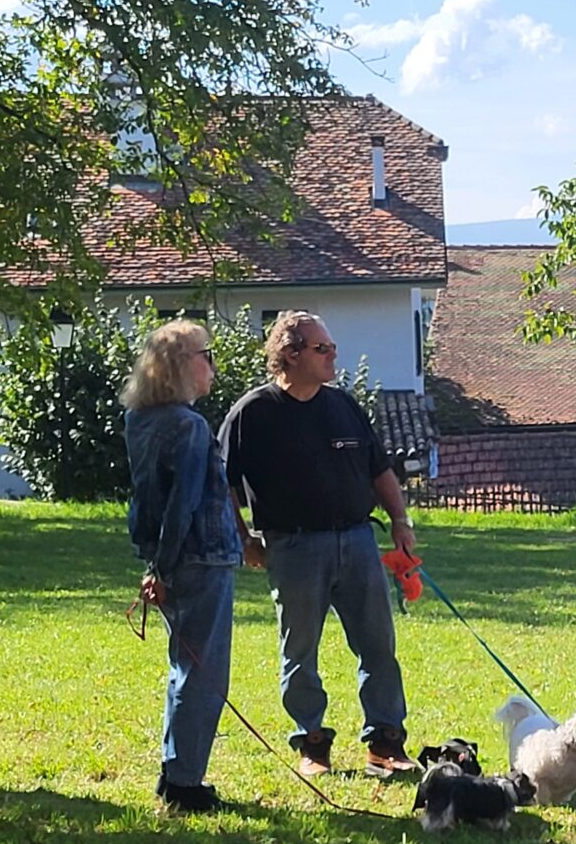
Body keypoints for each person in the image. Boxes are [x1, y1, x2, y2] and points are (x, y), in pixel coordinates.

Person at [219, 311, 418, 777]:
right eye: (322, 349)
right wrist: (244, 538)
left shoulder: (343, 405)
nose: (333, 356)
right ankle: (312, 745)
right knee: (300, 651)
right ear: (290, 354)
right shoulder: (252, 412)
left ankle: (385, 743)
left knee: (378, 647)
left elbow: (379, 469)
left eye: (331, 348)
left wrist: (400, 520)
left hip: (356, 540)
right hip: (293, 548)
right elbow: (221, 484)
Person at [124, 320, 243, 814]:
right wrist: (167, 566)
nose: (212, 365)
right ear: (180, 365)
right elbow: (184, 501)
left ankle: (174, 772)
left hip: (167, 556)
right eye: (206, 355)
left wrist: (156, 563)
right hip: (203, 556)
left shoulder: (139, 420)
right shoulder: (190, 426)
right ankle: (186, 784)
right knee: (203, 671)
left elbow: (150, 500)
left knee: (183, 666)